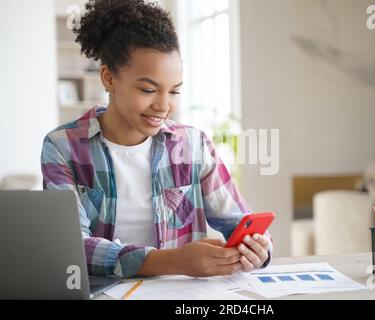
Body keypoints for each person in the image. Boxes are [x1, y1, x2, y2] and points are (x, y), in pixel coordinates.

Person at [41, 0, 272, 278]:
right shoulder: (63, 146)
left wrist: (258, 248)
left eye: (174, 92)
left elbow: (239, 223)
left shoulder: (193, 144)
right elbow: (70, 247)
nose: (163, 106)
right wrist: (171, 261)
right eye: (148, 89)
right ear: (108, 78)